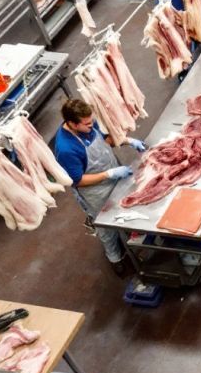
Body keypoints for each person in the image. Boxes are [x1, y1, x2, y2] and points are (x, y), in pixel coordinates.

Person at [54, 99, 145, 274]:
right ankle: (115, 258)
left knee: (125, 209)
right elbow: (77, 180)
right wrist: (108, 174)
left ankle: (131, 240)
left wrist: (127, 140)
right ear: (72, 123)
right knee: (106, 226)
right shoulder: (66, 149)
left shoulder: (87, 123)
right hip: (96, 191)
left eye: (91, 121)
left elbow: (104, 140)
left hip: (112, 171)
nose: (91, 125)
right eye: (87, 124)